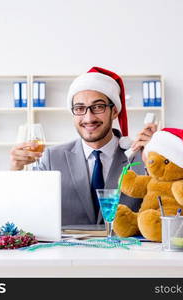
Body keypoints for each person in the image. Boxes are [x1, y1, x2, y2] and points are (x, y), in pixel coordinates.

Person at [10, 67, 157, 225]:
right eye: (79, 108)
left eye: (98, 107)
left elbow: (166, 212)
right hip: (66, 250)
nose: (88, 118)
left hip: (127, 249)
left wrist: (156, 162)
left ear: (114, 111)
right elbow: (22, 209)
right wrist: (14, 170)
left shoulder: (140, 156)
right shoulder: (52, 158)